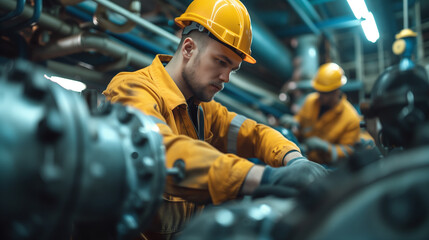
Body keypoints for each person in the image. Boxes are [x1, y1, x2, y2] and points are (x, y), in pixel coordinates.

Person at [102, 0, 327, 239]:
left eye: (233, 68)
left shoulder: (203, 111)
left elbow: (255, 134)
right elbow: (159, 152)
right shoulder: (132, 89)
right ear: (188, 49)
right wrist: (263, 178)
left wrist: (294, 161)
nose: (226, 77)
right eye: (221, 62)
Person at [280, 63, 361, 164]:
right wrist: (295, 122)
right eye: (318, 91)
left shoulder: (351, 118)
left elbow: (349, 152)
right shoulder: (310, 101)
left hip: (327, 169)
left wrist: (327, 148)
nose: (320, 95)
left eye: (324, 92)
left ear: (336, 91)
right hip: (304, 158)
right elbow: (300, 119)